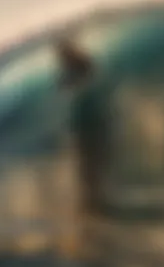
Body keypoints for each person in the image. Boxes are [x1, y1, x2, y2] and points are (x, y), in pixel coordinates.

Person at [55, 37, 109, 217]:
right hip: (81, 123)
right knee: (85, 165)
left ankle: (94, 202)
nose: (60, 57)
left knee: (92, 163)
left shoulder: (81, 62)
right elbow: (63, 87)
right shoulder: (69, 68)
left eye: (62, 52)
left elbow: (91, 78)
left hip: (93, 121)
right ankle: (91, 201)